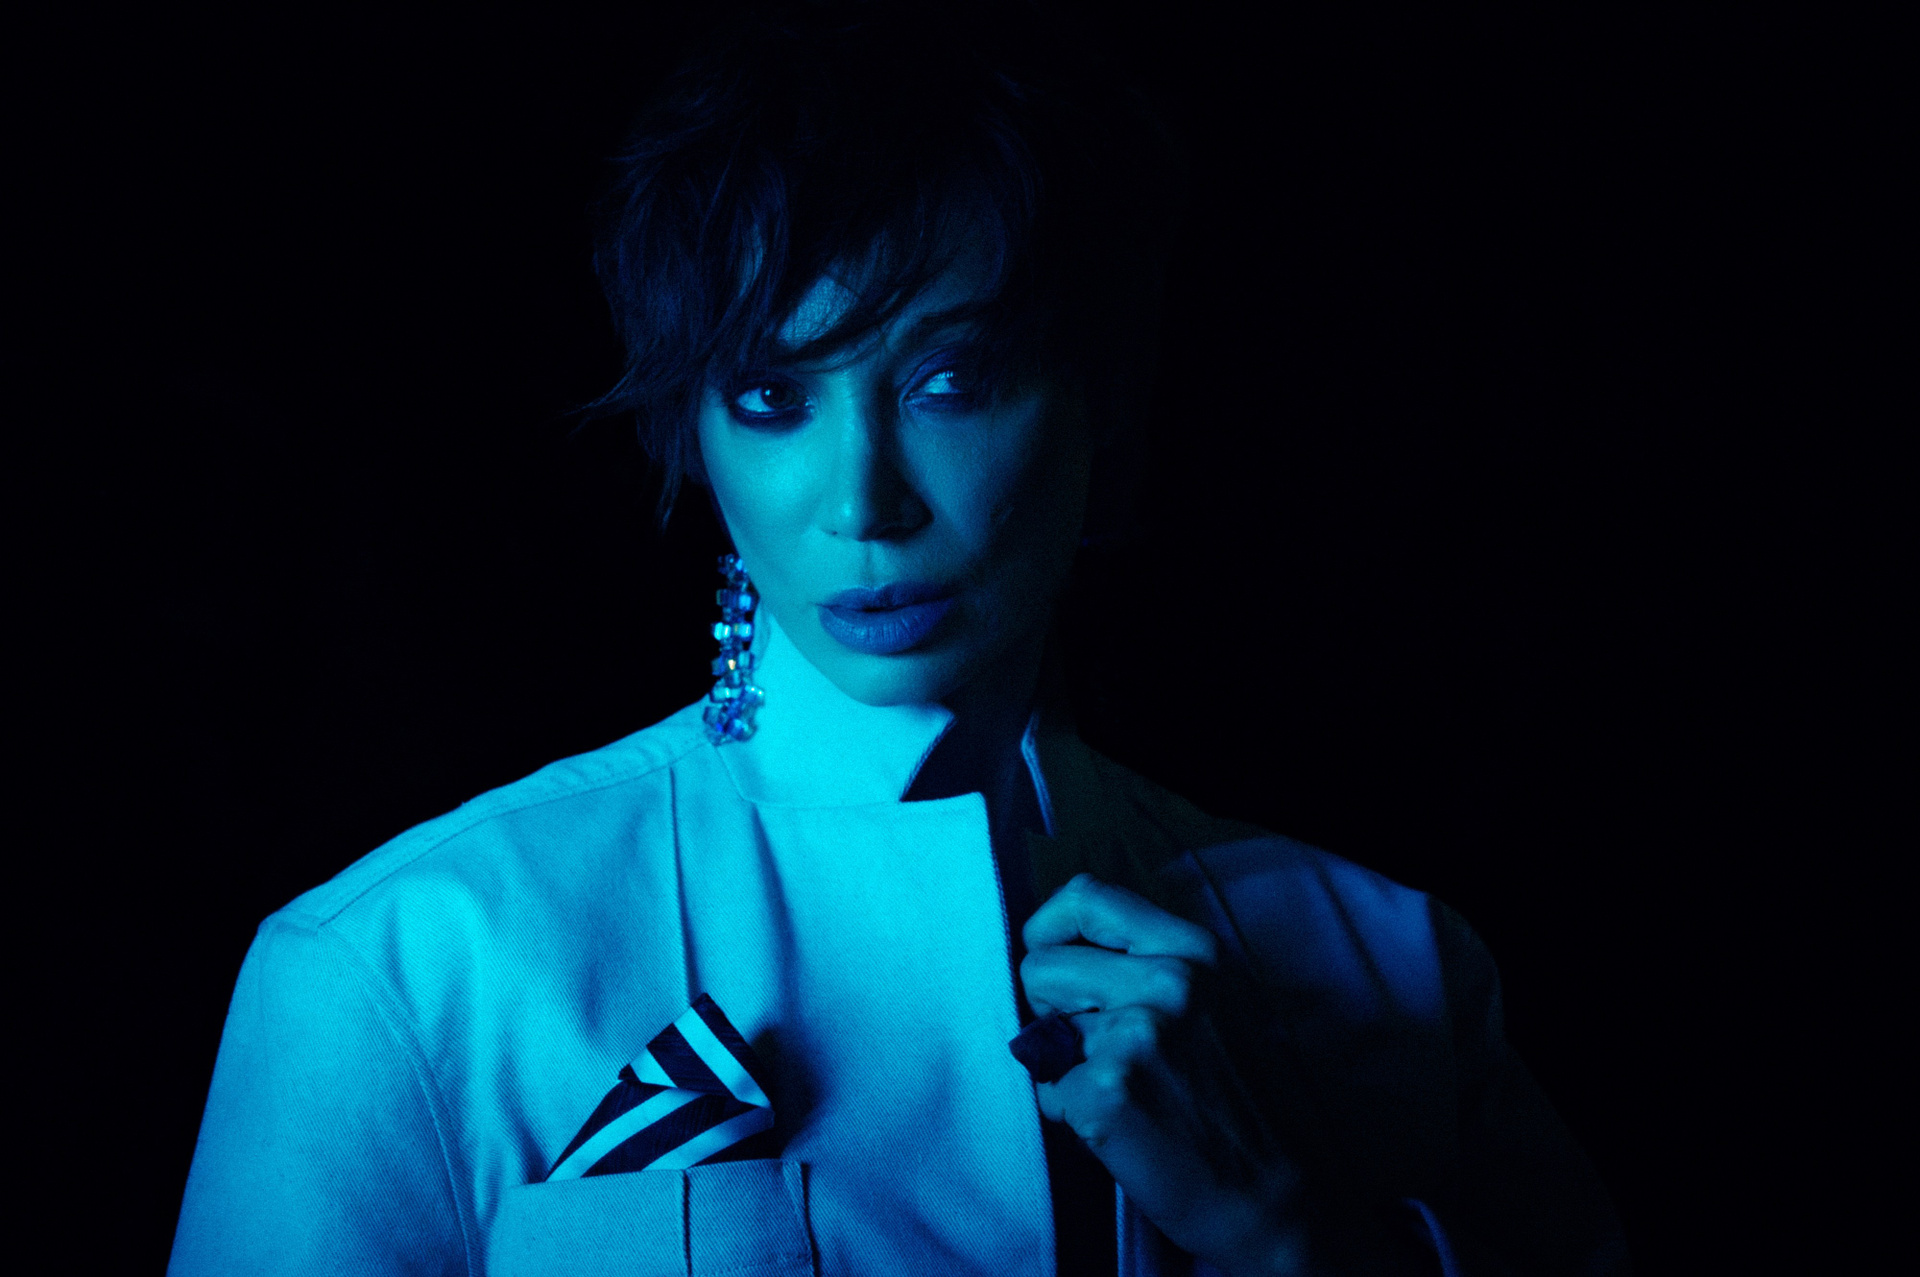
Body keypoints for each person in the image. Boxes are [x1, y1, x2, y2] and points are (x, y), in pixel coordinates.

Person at [169, 4, 1628, 1274]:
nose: (864, 503)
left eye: (951, 379)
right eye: (773, 396)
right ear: (693, 434)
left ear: (1102, 402)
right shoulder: (406, 967)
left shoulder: (1394, 968)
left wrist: (1289, 1237)